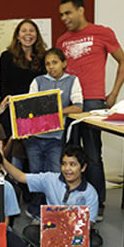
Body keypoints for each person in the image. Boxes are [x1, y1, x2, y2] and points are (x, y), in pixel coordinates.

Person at [57, 0, 124, 220]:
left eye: (68, 13)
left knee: (92, 154)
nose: (64, 18)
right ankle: (71, 199)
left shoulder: (102, 32)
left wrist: (114, 92)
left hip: (93, 102)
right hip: (69, 103)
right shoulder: (61, 41)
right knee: (68, 153)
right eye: (61, 15)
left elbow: (123, 62)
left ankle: (97, 203)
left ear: (81, 10)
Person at [0, 142, 104, 247]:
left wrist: (69, 233)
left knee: (96, 241)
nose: (67, 169)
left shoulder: (90, 192)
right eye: (64, 164)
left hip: (75, 234)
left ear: (83, 167)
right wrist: (2, 159)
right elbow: (21, 177)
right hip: (52, 232)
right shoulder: (50, 179)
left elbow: (89, 223)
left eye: (72, 164)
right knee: (29, 231)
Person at [24, 48, 83, 218]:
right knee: (36, 173)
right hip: (35, 137)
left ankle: (53, 208)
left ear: (64, 63)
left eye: (55, 62)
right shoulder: (38, 81)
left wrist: (56, 111)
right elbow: (29, 105)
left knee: (55, 172)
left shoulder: (72, 80)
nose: (51, 67)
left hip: (56, 138)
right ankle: (36, 208)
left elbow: (78, 106)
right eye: (47, 64)